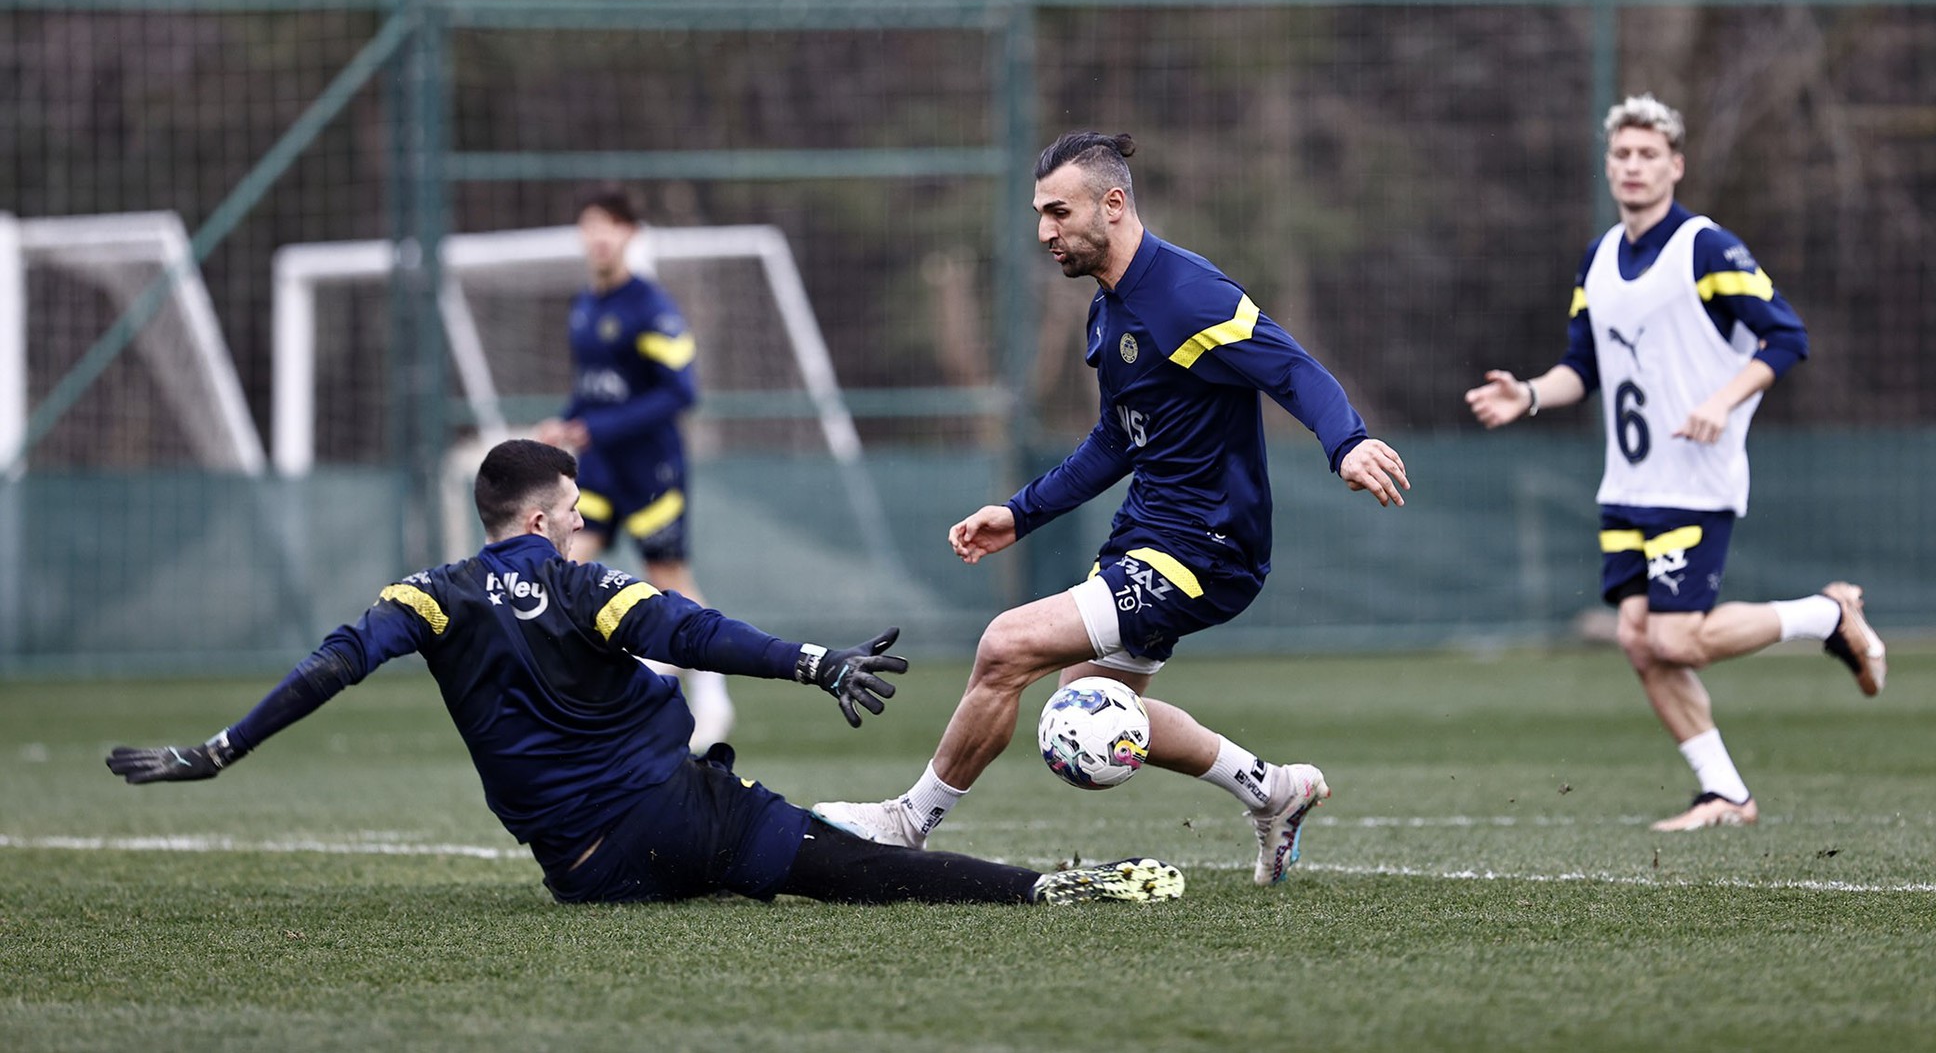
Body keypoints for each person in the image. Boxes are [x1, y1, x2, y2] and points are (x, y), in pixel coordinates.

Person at [104, 439, 1184, 908]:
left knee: (788, 846)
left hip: (581, 871)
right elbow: (695, 628)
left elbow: (328, 666)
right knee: (849, 867)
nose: (578, 523)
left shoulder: (421, 596)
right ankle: (1046, 886)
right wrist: (816, 662)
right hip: (673, 821)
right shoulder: (585, 586)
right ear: (538, 517)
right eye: (569, 510)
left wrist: (222, 748)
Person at [814, 131, 1410, 886]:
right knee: (1091, 704)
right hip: (1149, 535)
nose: (1043, 232)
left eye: (1057, 212)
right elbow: (1114, 440)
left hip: (1206, 547)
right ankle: (1274, 790)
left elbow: (1293, 369)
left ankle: (908, 822)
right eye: (1040, 214)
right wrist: (1019, 513)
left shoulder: (1189, 295)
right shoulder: (1108, 312)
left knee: (1005, 645)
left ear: (1113, 204)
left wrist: (1346, 442)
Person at [1463, 93, 1887, 832]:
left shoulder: (1706, 248)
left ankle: (1826, 614)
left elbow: (1785, 338)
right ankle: (1724, 791)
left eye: (1647, 154)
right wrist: (1528, 393)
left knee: (1674, 637)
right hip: (1627, 484)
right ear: (1608, 165)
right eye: (1621, 154)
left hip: (1692, 478)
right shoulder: (1597, 259)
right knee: (1637, 640)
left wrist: (1722, 400)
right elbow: (1581, 368)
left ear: (1675, 164)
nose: (1632, 166)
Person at [534, 186, 734, 750]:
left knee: (668, 578)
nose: (598, 236)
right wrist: (565, 422)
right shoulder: (584, 307)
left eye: (611, 226)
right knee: (560, 567)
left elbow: (680, 393)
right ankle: (568, 697)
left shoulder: (652, 308)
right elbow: (592, 391)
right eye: (590, 224)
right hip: (597, 471)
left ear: (630, 235)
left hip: (651, 471)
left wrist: (597, 427)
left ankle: (712, 696)